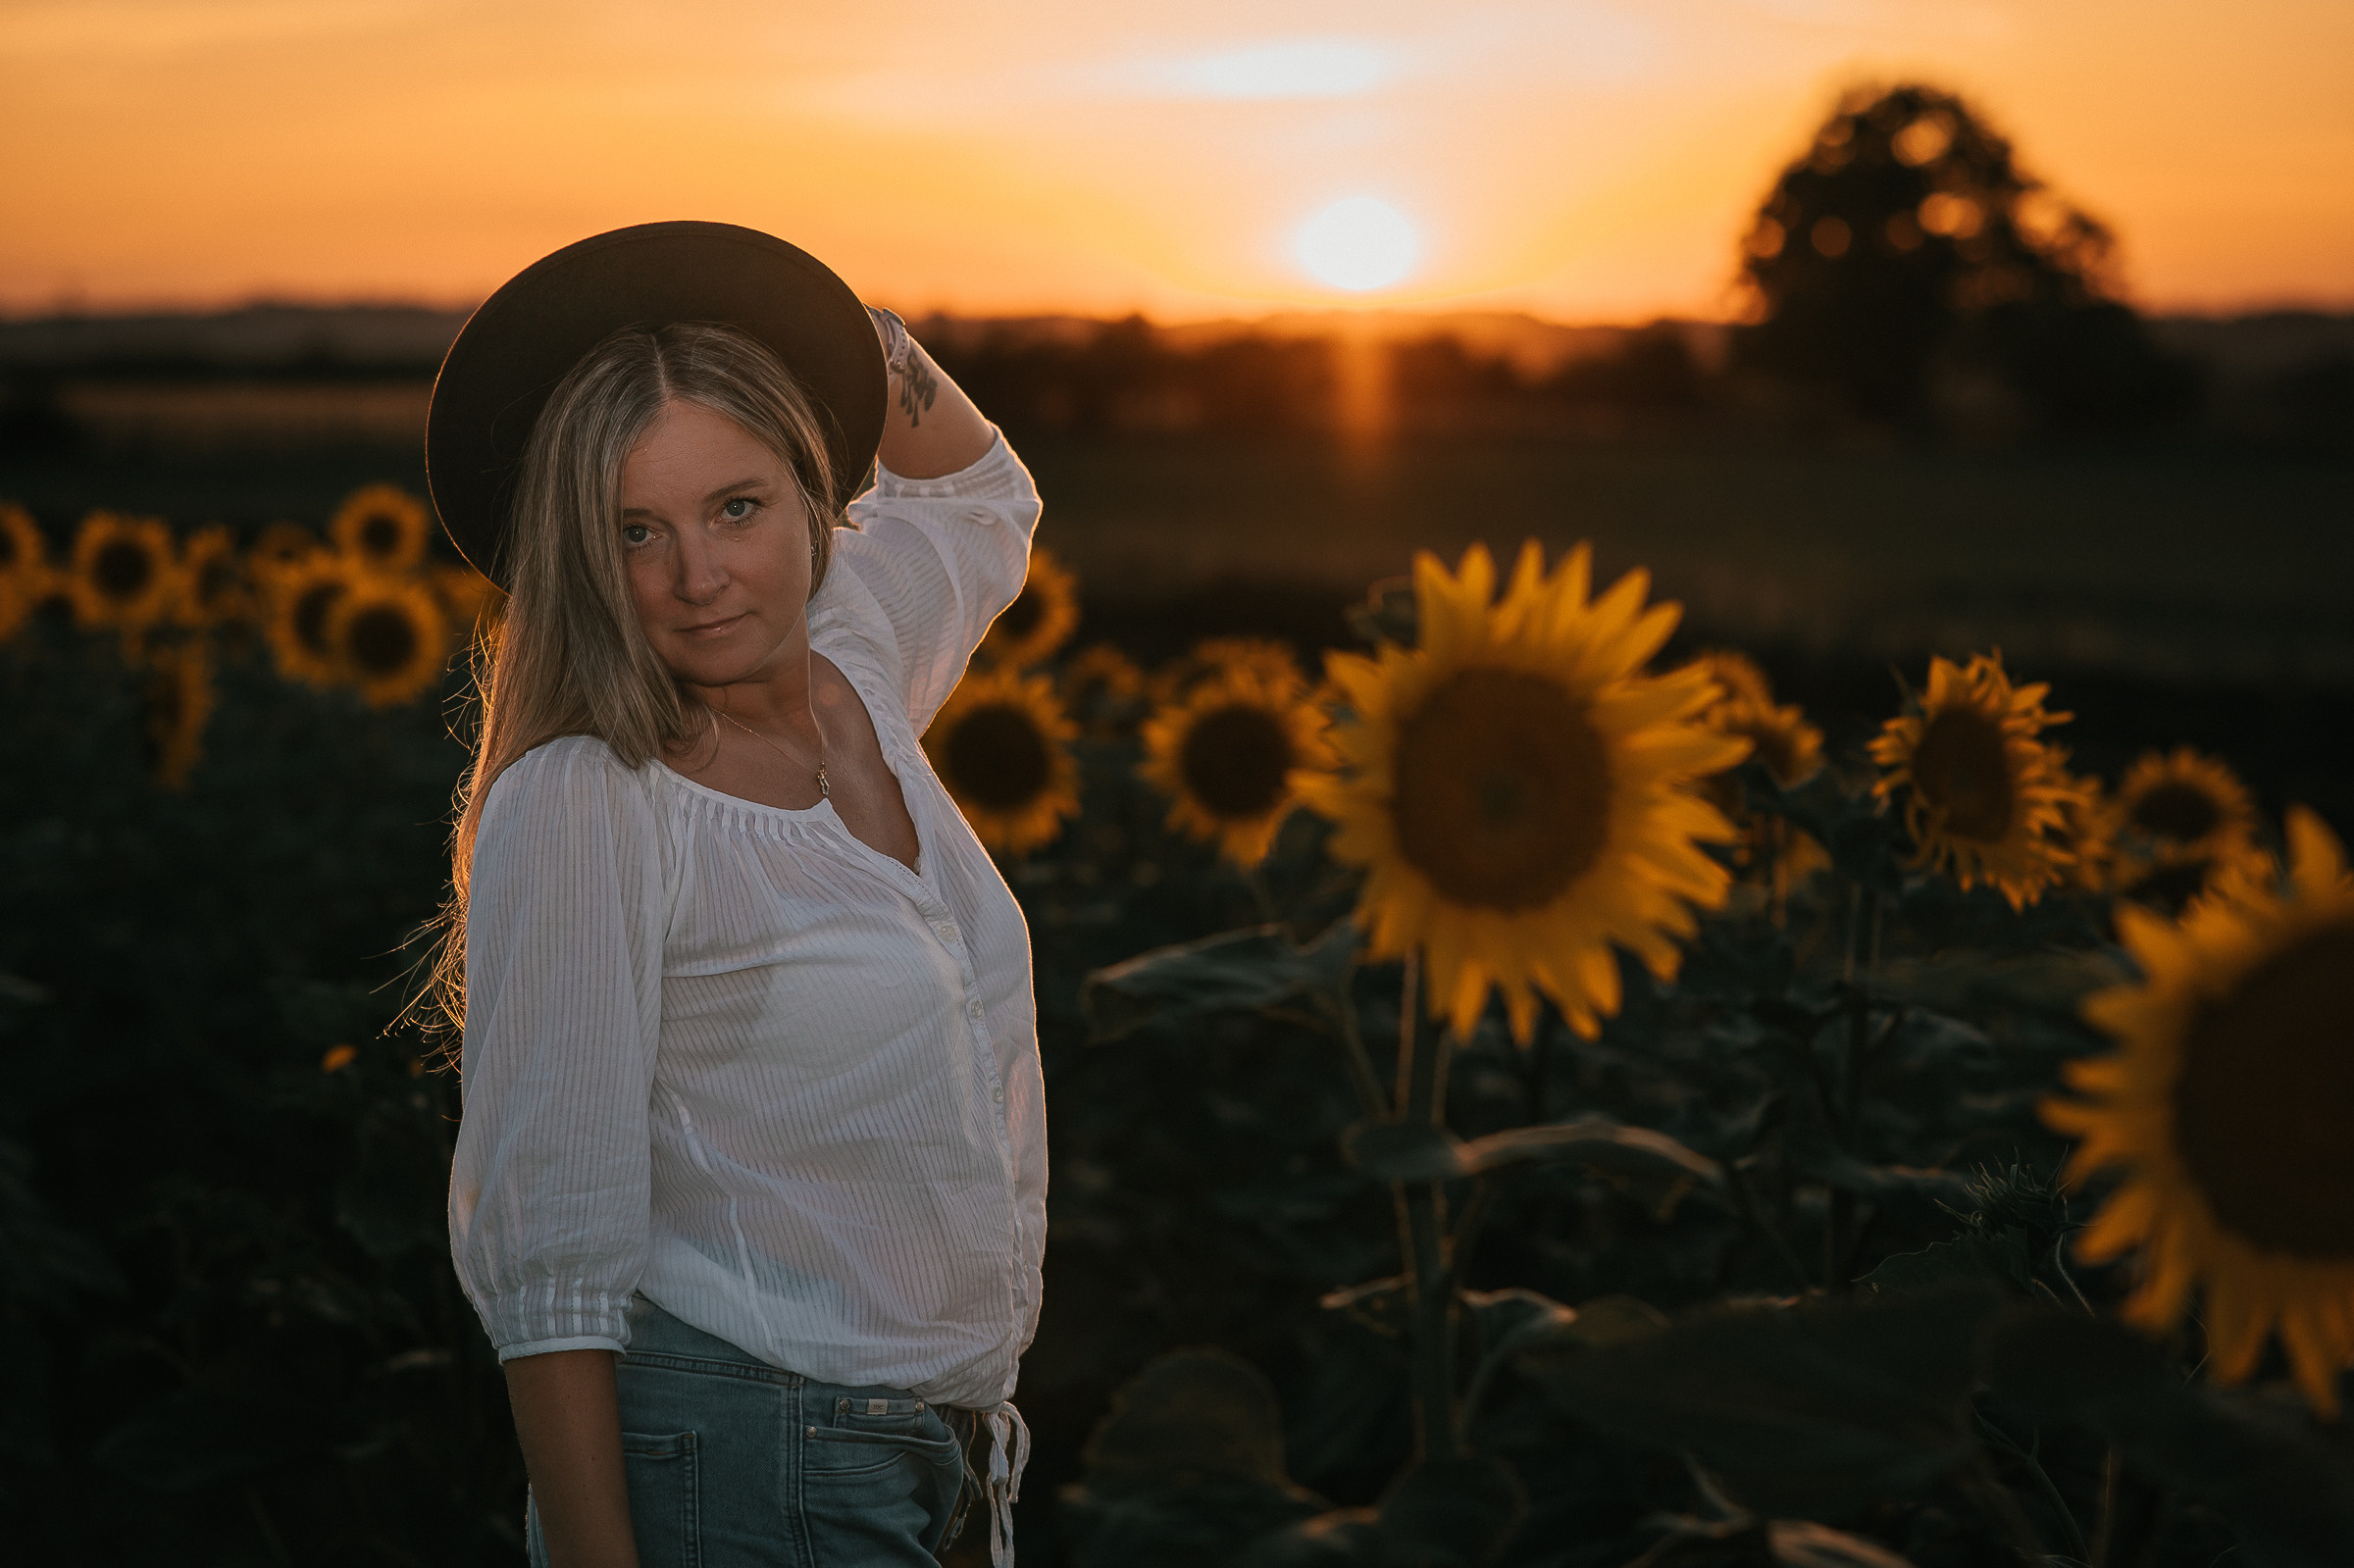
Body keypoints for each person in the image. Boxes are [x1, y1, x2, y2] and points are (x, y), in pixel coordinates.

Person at [425, 224, 1046, 1568]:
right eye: (632, 530)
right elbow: (552, 1268)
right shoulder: (592, 801)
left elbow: (984, 492)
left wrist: (823, 318)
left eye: (738, 507)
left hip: (917, 1462)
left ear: (814, 490)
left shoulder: (856, 659)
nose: (697, 577)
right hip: (742, 1462)